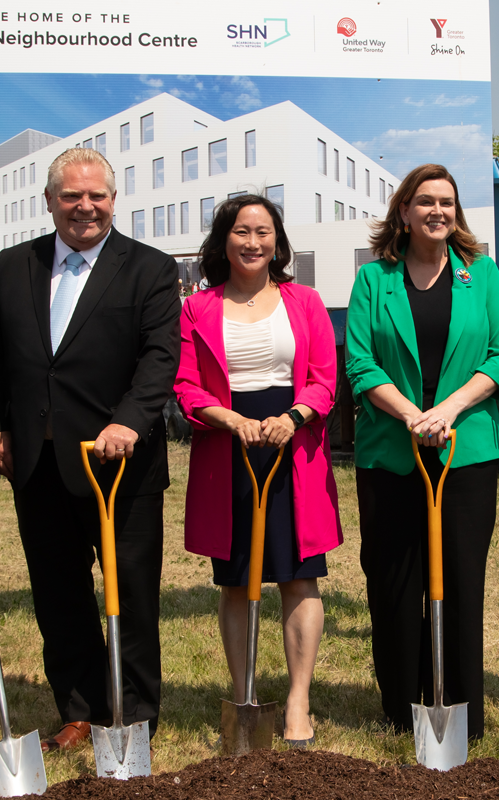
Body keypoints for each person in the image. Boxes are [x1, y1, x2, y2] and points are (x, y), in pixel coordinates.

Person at [0, 147, 180, 753]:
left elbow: (159, 359)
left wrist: (129, 423)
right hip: (38, 464)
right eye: (71, 196)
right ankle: (78, 707)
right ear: (49, 202)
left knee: (132, 593)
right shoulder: (14, 265)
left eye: (96, 195)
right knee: (58, 593)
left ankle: (133, 713)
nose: (85, 207)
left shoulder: (148, 267)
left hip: (119, 465)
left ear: (113, 201)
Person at [344, 164, 499, 741]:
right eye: (425, 202)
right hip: (391, 455)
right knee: (395, 580)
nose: (437, 211)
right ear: (404, 212)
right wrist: (411, 415)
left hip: (464, 453)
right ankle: (402, 708)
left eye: (446, 202)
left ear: (456, 212)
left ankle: (460, 709)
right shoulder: (375, 280)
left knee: (461, 580)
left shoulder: (483, 274)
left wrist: (446, 411)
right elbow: (361, 363)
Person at [174, 195, 341, 746]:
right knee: (235, 581)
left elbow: (323, 377)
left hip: (291, 447)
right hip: (229, 449)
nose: (252, 242)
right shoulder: (197, 308)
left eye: (263, 232)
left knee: (299, 575)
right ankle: (244, 692)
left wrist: (294, 418)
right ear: (224, 240)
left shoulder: (305, 300)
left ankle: (297, 703)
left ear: (277, 240)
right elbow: (187, 385)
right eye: (241, 231)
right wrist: (228, 418)